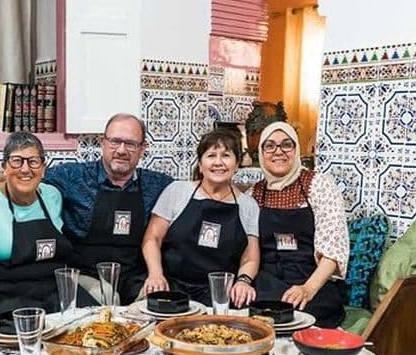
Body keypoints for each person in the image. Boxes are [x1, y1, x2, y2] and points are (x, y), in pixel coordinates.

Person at [0, 131, 97, 344]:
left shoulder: (52, 195)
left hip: (50, 289)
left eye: (33, 162)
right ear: (4, 166)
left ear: (44, 168)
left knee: (93, 329)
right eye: (16, 161)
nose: (25, 169)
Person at [44, 113, 173, 303]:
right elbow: (25, 177)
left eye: (131, 144)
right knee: (107, 299)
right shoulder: (72, 176)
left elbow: (195, 189)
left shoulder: (158, 184)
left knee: (158, 303)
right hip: (85, 274)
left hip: (133, 274)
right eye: (115, 141)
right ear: (102, 142)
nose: (121, 150)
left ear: (143, 148)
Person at [141, 129, 259, 307]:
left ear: (237, 165)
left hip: (220, 293)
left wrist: (243, 281)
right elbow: (152, 238)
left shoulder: (248, 205)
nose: (218, 162)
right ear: (200, 164)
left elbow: (250, 257)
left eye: (226, 155)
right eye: (211, 155)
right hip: (171, 287)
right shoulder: (177, 191)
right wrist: (156, 273)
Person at [250, 121, 349, 327]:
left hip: (312, 280)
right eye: (270, 145)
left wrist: (307, 289)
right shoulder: (254, 193)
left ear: (295, 149)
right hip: (267, 281)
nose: (278, 152)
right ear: (261, 152)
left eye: (287, 144)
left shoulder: (319, 185)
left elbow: (333, 249)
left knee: (299, 315)